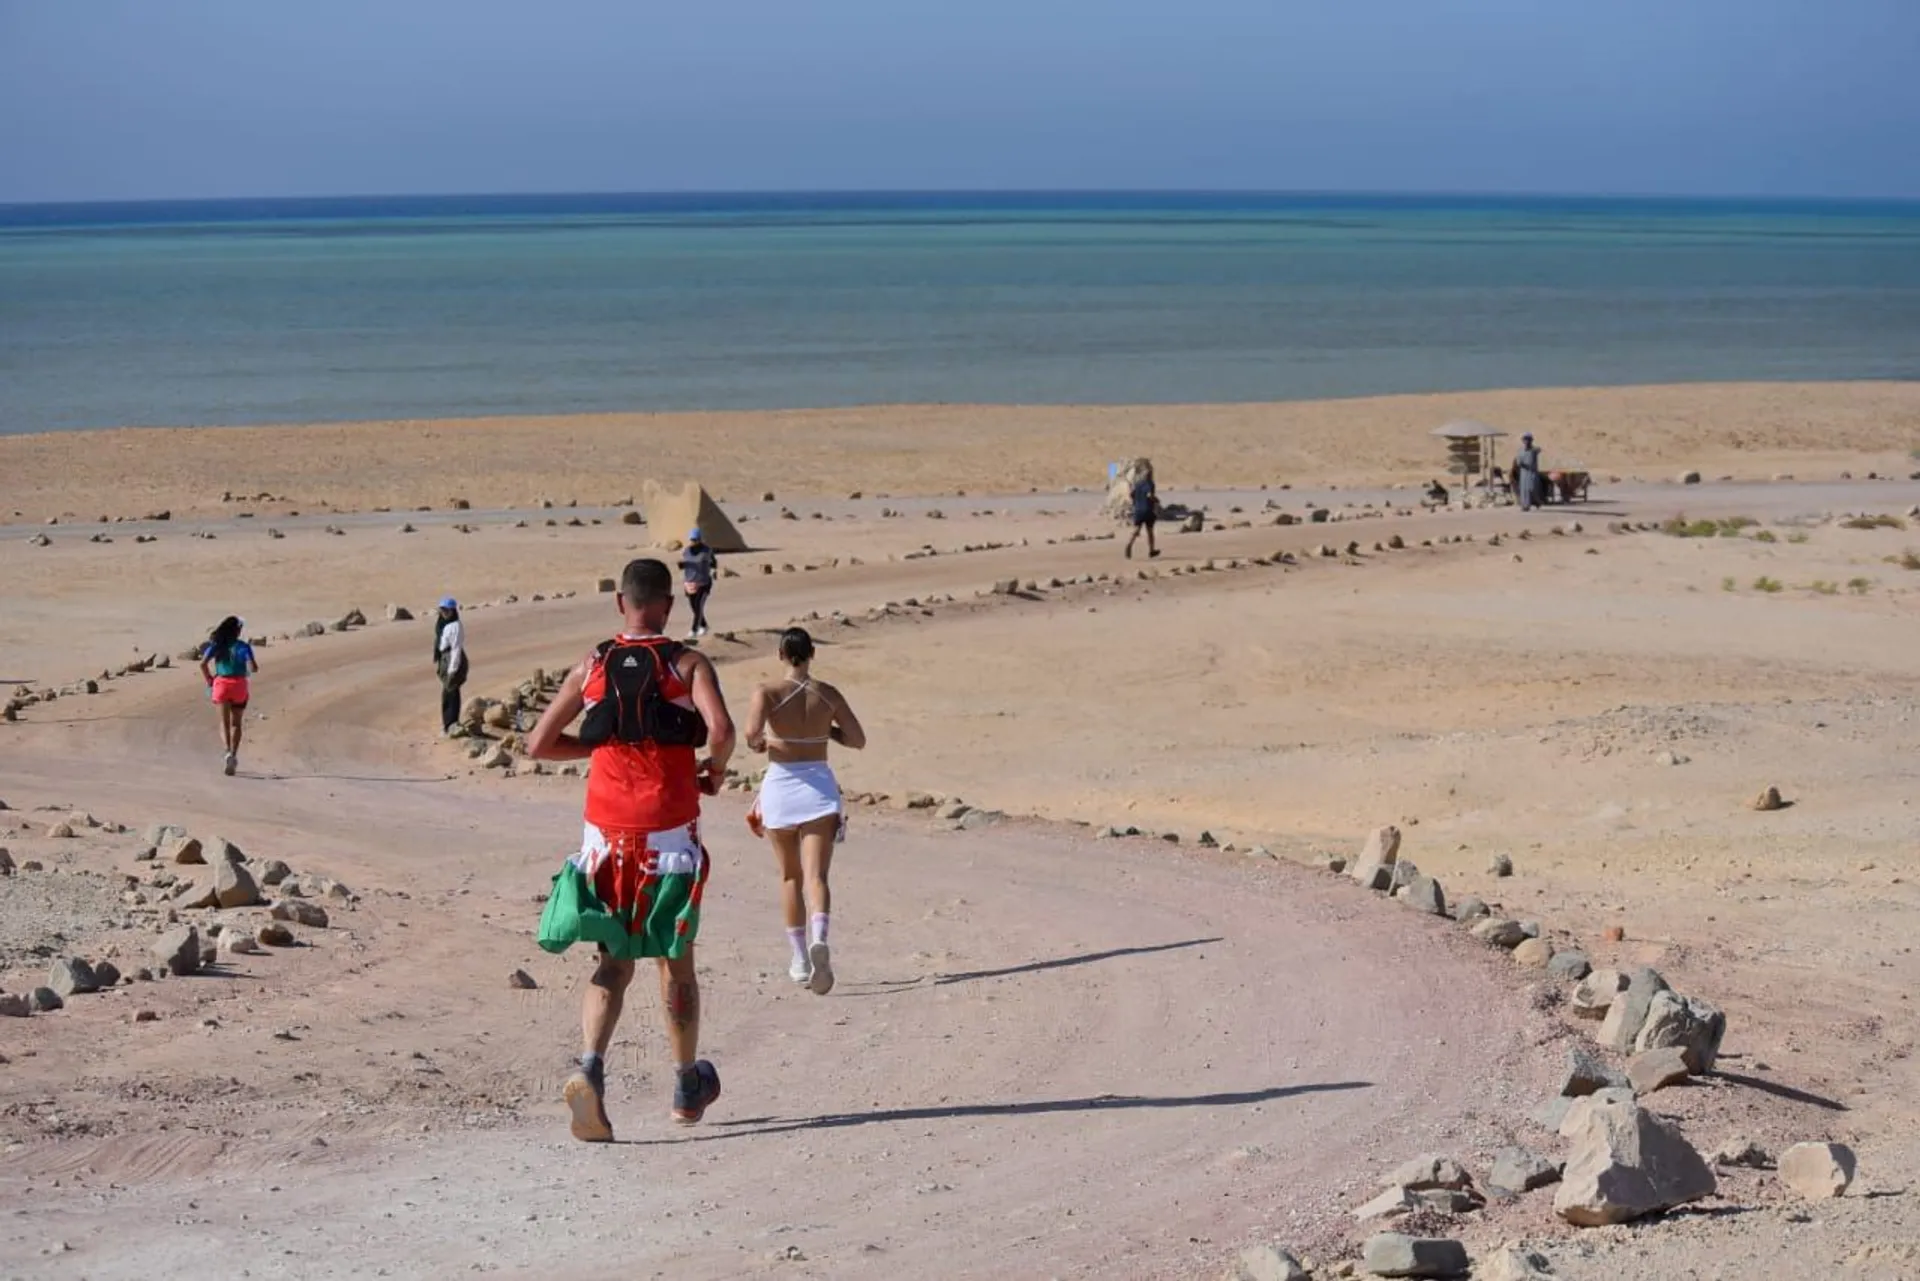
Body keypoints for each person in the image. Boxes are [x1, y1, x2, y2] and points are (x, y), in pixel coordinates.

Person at [526, 557, 736, 1143]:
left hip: (606, 838)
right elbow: (720, 731)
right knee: (676, 962)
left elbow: (537, 743)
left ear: (621, 603)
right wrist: (713, 774)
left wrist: (595, 753)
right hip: (669, 836)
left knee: (613, 962)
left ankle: (590, 1069)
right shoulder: (687, 662)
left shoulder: (591, 663)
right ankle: (686, 1085)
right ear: (668, 605)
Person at [742, 628, 866, 995]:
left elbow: (751, 735)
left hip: (781, 787)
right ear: (813, 652)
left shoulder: (766, 692)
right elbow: (858, 740)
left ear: (781, 654)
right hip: (819, 789)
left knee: (789, 877)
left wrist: (766, 740)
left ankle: (799, 958)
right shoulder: (827, 694)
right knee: (818, 877)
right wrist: (825, 732)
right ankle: (820, 938)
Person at [196, 615, 258, 776]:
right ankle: (235, 755)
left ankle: (227, 752)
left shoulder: (218, 645)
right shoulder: (243, 647)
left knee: (224, 722)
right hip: (239, 685)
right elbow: (253, 667)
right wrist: (245, 670)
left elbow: (202, 664)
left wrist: (210, 680)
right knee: (236, 723)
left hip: (222, 684)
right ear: (237, 631)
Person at [433, 598, 468, 734]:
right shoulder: (442, 624)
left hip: (452, 661)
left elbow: (456, 649)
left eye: (446, 611)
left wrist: (452, 670)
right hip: (445, 658)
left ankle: (450, 724)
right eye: (442, 610)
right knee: (450, 692)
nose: (444, 613)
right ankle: (450, 724)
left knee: (450, 693)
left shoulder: (455, 627)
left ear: (453, 611)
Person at [680, 529, 717, 639]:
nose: (693, 541)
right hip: (690, 582)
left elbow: (713, 563)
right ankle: (704, 626)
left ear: (700, 540)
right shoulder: (687, 551)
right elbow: (685, 563)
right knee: (694, 607)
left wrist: (714, 570)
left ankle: (693, 631)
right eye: (692, 539)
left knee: (699, 606)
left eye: (695, 539)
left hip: (703, 583)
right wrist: (682, 565)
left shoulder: (706, 551)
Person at [1123, 470, 1161, 560]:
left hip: (1138, 510)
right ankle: (1151, 550)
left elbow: (1131, 494)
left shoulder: (1138, 484)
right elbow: (1149, 495)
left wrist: (1136, 503)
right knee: (1150, 531)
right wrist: (1156, 500)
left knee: (1137, 529)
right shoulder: (1150, 484)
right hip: (1147, 510)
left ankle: (1129, 543)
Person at [1512, 433, 1545, 512]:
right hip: (1524, 473)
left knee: (1532, 488)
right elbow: (1518, 461)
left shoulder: (1534, 450)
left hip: (1532, 472)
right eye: (1525, 440)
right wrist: (1520, 464)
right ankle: (1525, 505)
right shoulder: (1520, 451)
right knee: (1525, 490)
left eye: (1528, 440)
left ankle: (1536, 502)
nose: (1527, 441)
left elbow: (1539, 450)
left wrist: (1532, 448)